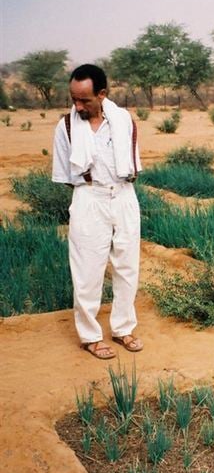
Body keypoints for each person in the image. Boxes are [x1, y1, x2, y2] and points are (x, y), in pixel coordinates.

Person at [52, 64, 143, 358]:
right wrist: (94, 194)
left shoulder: (123, 120)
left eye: (84, 100)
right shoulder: (65, 126)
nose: (77, 106)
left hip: (125, 196)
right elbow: (66, 176)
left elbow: (132, 163)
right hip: (89, 197)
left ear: (102, 94)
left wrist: (116, 193)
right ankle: (91, 337)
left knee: (127, 267)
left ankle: (123, 329)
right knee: (87, 271)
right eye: (73, 98)